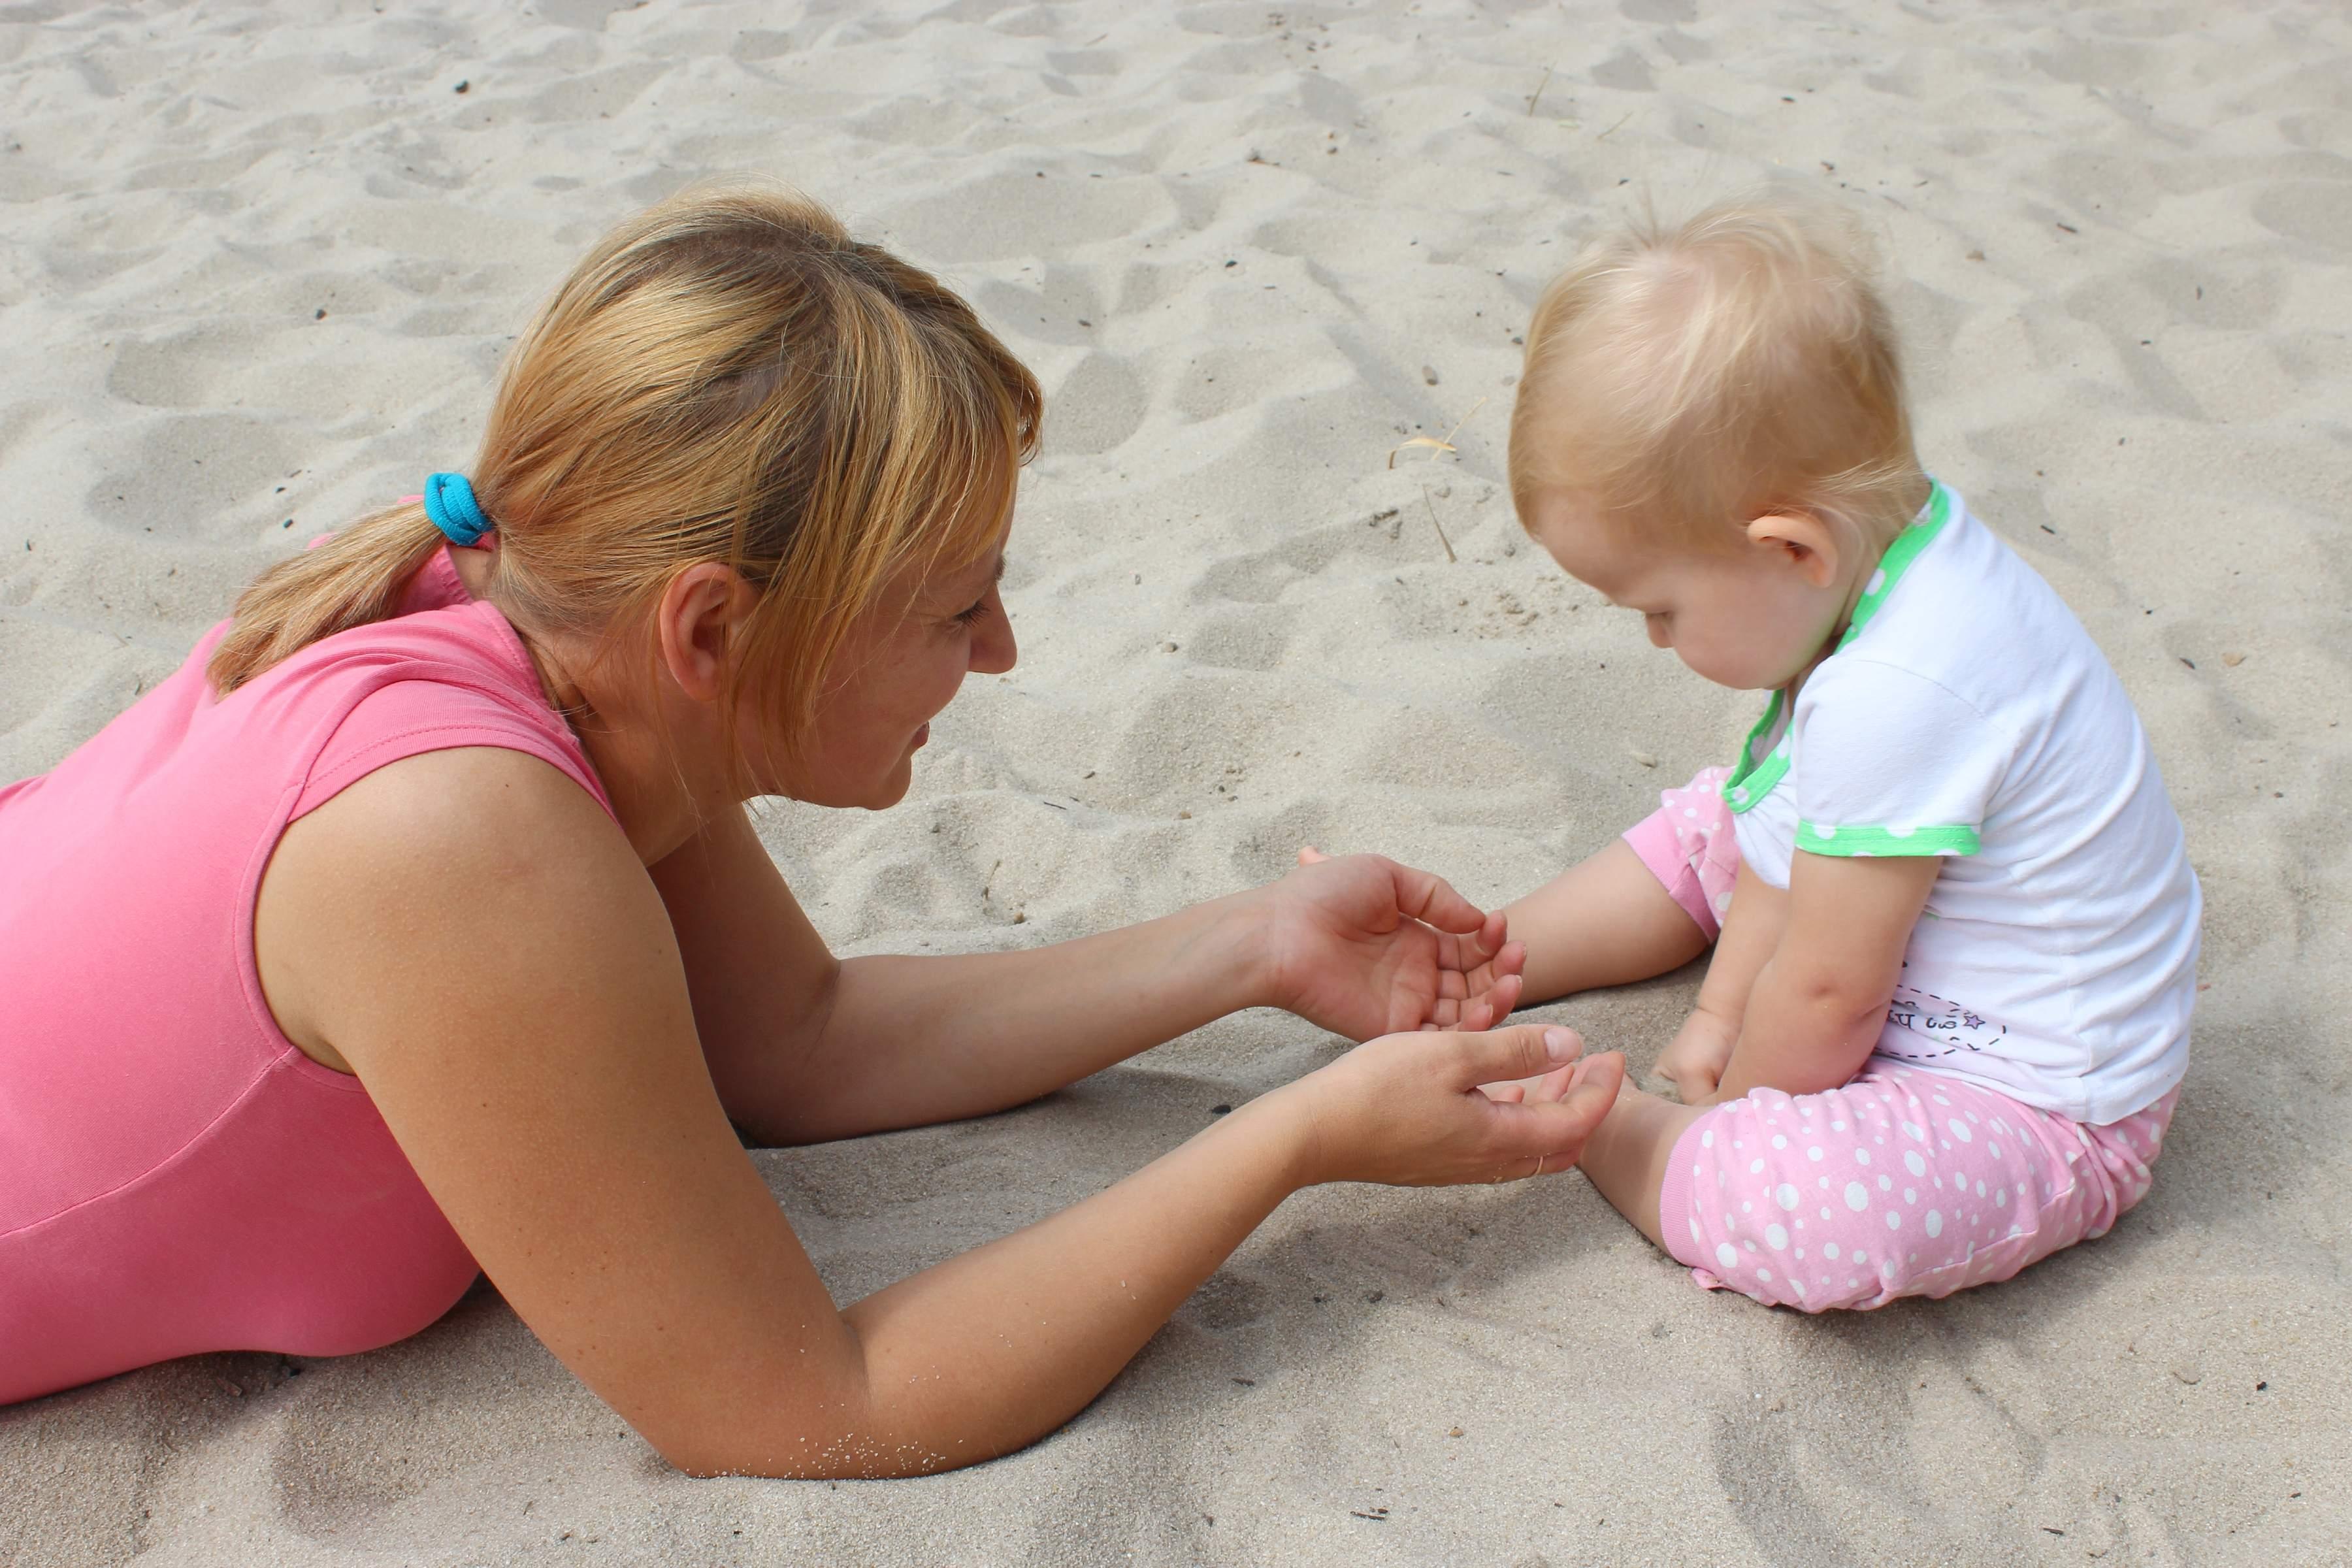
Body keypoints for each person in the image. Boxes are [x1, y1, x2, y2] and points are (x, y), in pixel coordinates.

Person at [0, 184, 1626, 1469]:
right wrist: (1298, 1141)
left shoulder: (569, 635)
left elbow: (797, 1043)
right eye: (958, 607)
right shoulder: (462, 842)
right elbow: (800, 1409)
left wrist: (1252, 949)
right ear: (714, 633)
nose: (998, 656)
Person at [1471, 194, 2198, 1311]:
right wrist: (1718, 1011)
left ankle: (1605, 1126)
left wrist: (1739, 1114)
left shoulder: (1901, 689)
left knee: (1814, 1214)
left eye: (1660, 610)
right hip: (1898, 923)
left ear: (1791, 549)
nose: (1659, 643)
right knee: (1725, 816)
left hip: (2040, 1095)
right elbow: (1784, 842)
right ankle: (1496, 960)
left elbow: (1829, 994)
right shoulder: (1885, 568)